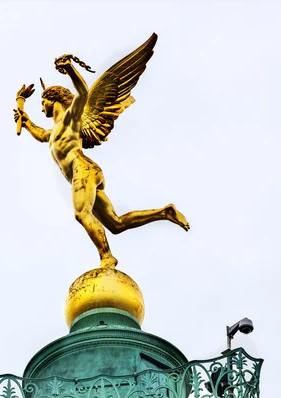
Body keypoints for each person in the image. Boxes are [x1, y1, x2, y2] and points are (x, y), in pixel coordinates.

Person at [14, 39, 189, 269]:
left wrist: (70, 70)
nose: (42, 107)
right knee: (115, 224)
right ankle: (165, 212)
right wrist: (23, 116)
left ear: (52, 99)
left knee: (81, 213)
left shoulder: (70, 118)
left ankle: (107, 257)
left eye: (43, 102)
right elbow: (38, 133)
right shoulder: (53, 132)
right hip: (87, 172)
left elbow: (84, 93)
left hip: (82, 169)